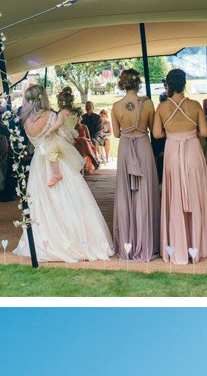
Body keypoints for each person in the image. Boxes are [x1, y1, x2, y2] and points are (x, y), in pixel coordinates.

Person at [14, 85, 114, 263]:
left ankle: (45, 240)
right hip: (57, 160)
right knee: (70, 198)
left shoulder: (25, 121)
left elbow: (34, 143)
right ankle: (75, 240)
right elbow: (67, 137)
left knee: (42, 200)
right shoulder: (51, 116)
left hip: (39, 162)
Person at [152, 67, 207, 265]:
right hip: (192, 151)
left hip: (172, 152)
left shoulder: (162, 108)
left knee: (175, 196)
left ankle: (177, 244)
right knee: (196, 194)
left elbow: (156, 135)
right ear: (184, 84)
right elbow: (204, 132)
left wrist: (173, 133)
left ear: (168, 85)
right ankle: (197, 243)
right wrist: (188, 133)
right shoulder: (195, 105)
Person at [111, 68, 159, 262]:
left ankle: (127, 242)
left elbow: (115, 134)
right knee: (145, 192)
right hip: (142, 147)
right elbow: (154, 130)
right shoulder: (147, 104)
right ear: (138, 83)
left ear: (122, 84)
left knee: (125, 193)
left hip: (125, 148)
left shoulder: (116, 106)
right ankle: (146, 242)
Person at [59, 88, 98, 172]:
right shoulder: (61, 113)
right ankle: (91, 158)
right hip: (65, 135)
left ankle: (89, 161)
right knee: (82, 141)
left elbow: (78, 125)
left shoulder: (75, 113)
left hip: (74, 134)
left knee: (83, 139)